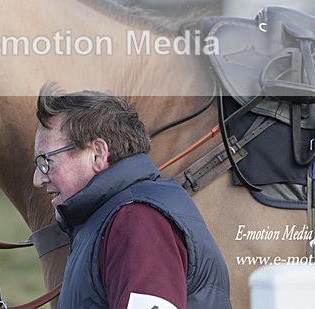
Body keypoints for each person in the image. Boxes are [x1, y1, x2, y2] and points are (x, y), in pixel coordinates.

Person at [33, 82, 231, 309]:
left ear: (98, 153)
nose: (38, 179)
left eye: (46, 162)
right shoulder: (115, 218)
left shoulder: (137, 220)